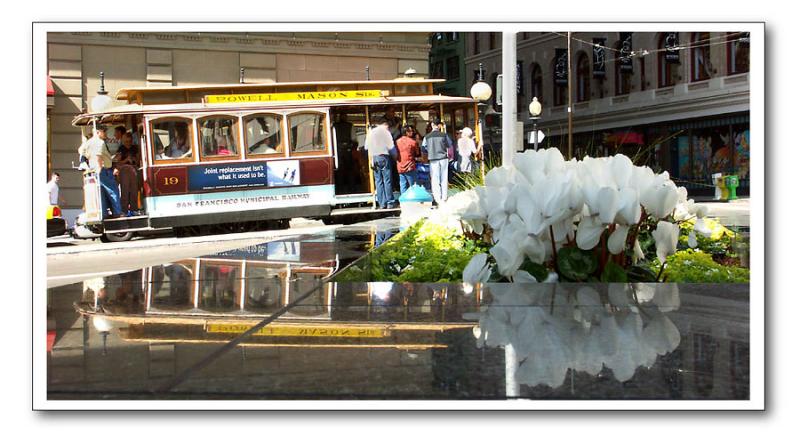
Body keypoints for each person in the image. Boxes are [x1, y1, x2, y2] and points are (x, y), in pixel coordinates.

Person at [81, 125, 123, 218]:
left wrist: (89, 161)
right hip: (103, 170)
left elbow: (81, 151)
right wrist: (99, 166)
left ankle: (104, 214)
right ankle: (117, 213)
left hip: (94, 170)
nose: (106, 134)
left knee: (101, 194)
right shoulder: (100, 142)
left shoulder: (89, 142)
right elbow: (98, 155)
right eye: (104, 132)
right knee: (113, 191)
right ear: (97, 132)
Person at [365, 118, 396, 209]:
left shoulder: (371, 132)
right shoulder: (386, 133)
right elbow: (391, 147)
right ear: (384, 124)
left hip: (374, 158)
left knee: (378, 181)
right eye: (388, 126)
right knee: (387, 180)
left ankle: (382, 203)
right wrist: (396, 156)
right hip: (384, 157)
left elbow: (366, 147)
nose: (388, 128)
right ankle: (390, 202)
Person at [421, 119, 451, 205]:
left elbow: (423, 148)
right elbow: (449, 145)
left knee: (435, 179)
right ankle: (444, 197)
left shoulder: (427, 137)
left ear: (432, 125)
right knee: (444, 178)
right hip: (443, 158)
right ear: (439, 126)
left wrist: (430, 150)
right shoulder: (444, 135)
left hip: (433, 159)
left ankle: (437, 199)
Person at [114, 132, 140, 216]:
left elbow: (138, 160)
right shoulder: (121, 149)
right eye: (126, 141)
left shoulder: (134, 148)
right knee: (124, 190)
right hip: (124, 170)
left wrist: (133, 159)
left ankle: (134, 209)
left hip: (134, 169)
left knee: (134, 190)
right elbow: (117, 161)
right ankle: (124, 210)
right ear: (124, 140)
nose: (128, 143)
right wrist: (126, 160)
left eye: (130, 141)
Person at [333, 113, 358, 193]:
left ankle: (340, 190)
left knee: (339, 171)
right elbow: (354, 139)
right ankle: (352, 189)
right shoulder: (350, 125)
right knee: (350, 170)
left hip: (338, 150)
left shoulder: (334, 126)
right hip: (348, 150)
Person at [396, 125, 421, 194]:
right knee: (413, 185)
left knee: (403, 185)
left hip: (400, 166)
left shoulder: (397, 142)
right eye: (411, 131)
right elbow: (417, 153)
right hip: (410, 166)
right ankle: (414, 200)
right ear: (406, 132)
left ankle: (403, 201)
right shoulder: (412, 142)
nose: (412, 132)